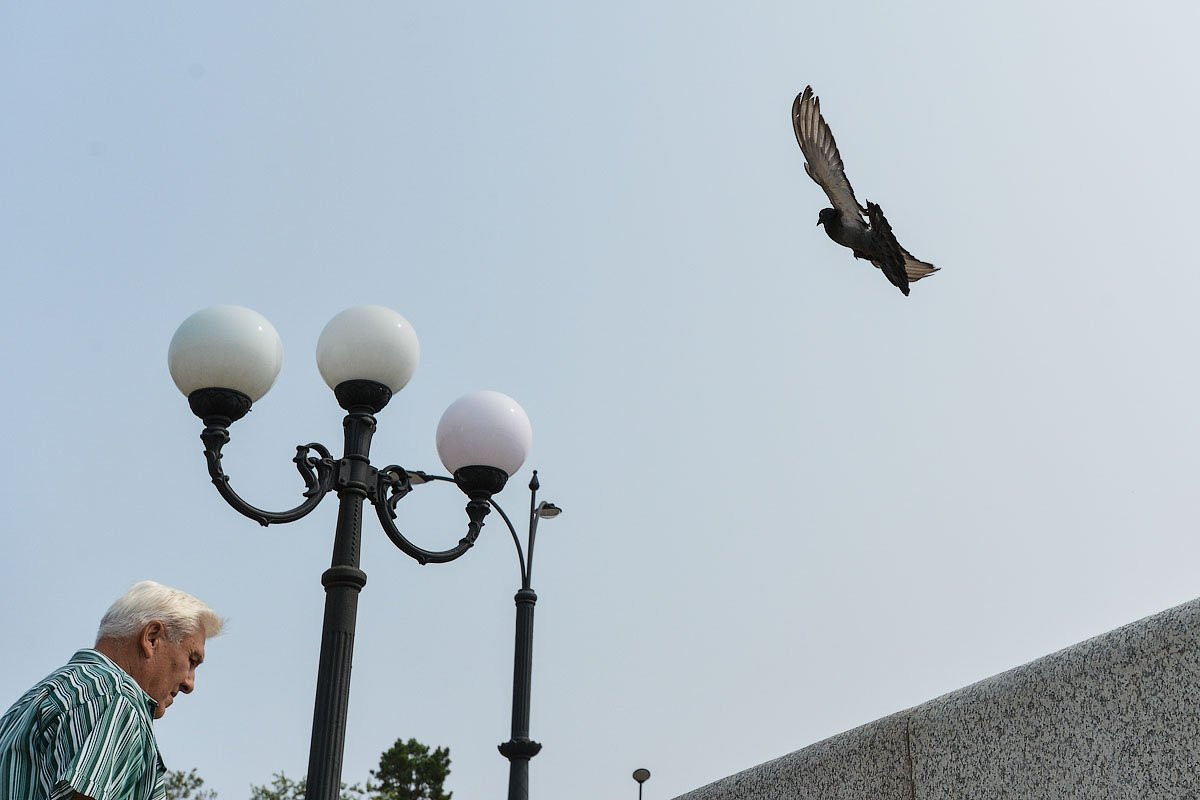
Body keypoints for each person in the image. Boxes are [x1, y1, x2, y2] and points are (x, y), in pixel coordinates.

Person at [0, 581, 223, 800]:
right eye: (192, 660)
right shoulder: (118, 698)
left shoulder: (33, 701)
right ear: (152, 638)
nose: (189, 684)